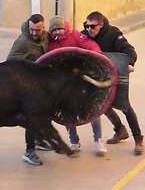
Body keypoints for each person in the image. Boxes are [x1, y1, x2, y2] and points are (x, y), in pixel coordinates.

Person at [81, 11, 144, 155]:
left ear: (101, 24)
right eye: (87, 26)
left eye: (92, 26)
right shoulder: (84, 35)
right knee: (103, 105)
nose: (89, 29)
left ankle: (138, 139)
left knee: (125, 106)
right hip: (98, 77)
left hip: (115, 75)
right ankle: (120, 130)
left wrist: (127, 64)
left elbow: (130, 52)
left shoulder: (113, 34)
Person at [46, 16, 107, 156]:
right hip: (63, 83)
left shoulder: (75, 36)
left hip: (80, 79)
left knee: (92, 109)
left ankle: (98, 140)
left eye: (60, 29)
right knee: (68, 111)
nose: (57, 32)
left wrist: (99, 59)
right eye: (54, 30)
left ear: (65, 28)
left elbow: (90, 46)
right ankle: (74, 141)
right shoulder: (48, 41)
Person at [7, 14, 53, 166]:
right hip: (27, 86)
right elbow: (9, 65)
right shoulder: (22, 42)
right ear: (28, 27)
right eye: (32, 30)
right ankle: (29, 151)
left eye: (38, 30)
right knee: (31, 117)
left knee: (46, 114)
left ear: (43, 28)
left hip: (42, 83)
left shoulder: (46, 36)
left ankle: (39, 140)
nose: (34, 33)